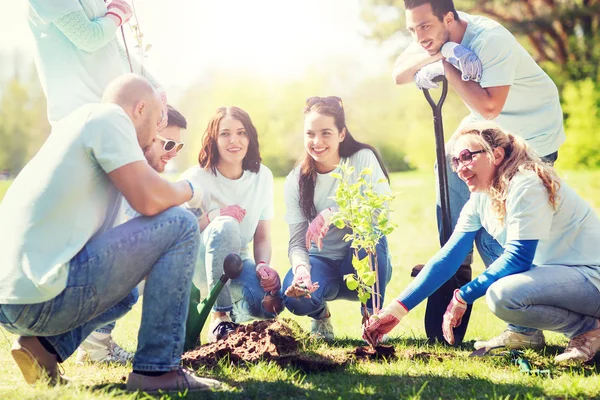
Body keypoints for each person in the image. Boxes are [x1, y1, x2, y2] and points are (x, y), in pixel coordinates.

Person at [0, 74, 221, 392]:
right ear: (140, 108)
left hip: (14, 298)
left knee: (127, 293)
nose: (157, 135)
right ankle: (157, 372)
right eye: (157, 123)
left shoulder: (79, 125)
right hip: (38, 299)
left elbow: (129, 245)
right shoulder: (110, 117)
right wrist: (191, 190)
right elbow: (149, 201)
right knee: (182, 224)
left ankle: (42, 348)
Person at [394, 0, 565, 347]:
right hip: (490, 126)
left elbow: (489, 105)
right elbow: (398, 74)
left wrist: (447, 64)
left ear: (449, 18)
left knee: (495, 227)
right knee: (448, 164)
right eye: (412, 30)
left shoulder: (490, 39)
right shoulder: (433, 32)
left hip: (532, 132)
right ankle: (458, 260)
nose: (418, 35)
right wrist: (441, 50)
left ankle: (526, 328)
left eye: (424, 27)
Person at [363, 123, 600, 363]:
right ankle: (533, 332)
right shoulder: (481, 198)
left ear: (496, 155)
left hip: (592, 278)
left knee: (502, 295)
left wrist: (462, 296)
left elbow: (519, 257)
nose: (459, 168)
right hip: (566, 279)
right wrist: (397, 309)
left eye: (467, 157)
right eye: (455, 161)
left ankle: (587, 329)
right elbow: (449, 257)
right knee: (493, 264)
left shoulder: (525, 183)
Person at [75, 105, 188, 365]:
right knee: (137, 270)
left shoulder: (135, 177)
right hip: (72, 278)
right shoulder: (129, 181)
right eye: (168, 144)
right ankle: (96, 347)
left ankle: (93, 342)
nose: (173, 153)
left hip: (84, 275)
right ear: (148, 135)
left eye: (178, 147)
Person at [281, 96, 393, 341]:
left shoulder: (362, 158)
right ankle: (321, 318)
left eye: (326, 133)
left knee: (368, 237)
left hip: (364, 260)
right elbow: (297, 242)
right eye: (310, 134)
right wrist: (302, 270)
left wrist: (335, 214)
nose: (317, 142)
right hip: (322, 263)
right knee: (292, 298)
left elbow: (380, 212)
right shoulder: (296, 180)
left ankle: (373, 319)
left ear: (342, 134)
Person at [180, 106, 282, 347]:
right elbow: (177, 232)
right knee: (225, 225)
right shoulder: (196, 178)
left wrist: (263, 266)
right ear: (213, 139)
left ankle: (233, 316)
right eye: (225, 134)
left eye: (241, 132)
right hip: (196, 265)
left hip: (236, 262)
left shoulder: (262, 177)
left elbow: (263, 236)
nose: (234, 140)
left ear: (250, 138)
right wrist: (215, 215)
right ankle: (219, 317)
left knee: (268, 306)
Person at [26, 0, 168, 127]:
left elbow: (115, 49)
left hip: (111, 117)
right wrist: (117, 14)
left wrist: (155, 86)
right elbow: (88, 38)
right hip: (78, 120)